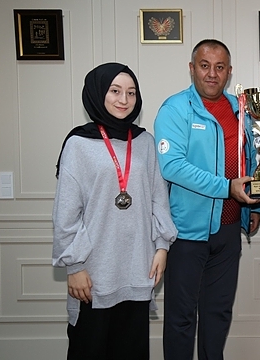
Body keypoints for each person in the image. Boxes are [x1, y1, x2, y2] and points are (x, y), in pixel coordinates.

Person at [52, 62, 178, 359]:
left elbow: (159, 199)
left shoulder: (145, 142)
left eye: (131, 92)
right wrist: (74, 267)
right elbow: (66, 213)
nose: (124, 99)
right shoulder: (78, 144)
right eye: (115, 91)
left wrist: (162, 247)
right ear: (98, 94)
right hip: (93, 275)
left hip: (138, 270)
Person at [154, 39, 260, 360]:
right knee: (181, 318)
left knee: (218, 315)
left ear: (229, 72)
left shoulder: (240, 108)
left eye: (220, 67)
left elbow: (250, 157)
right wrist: (227, 188)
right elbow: (172, 166)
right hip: (187, 232)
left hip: (228, 231)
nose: (212, 74)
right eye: (205, 66)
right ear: (192, 69)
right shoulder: (175, 109)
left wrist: (253, 204)